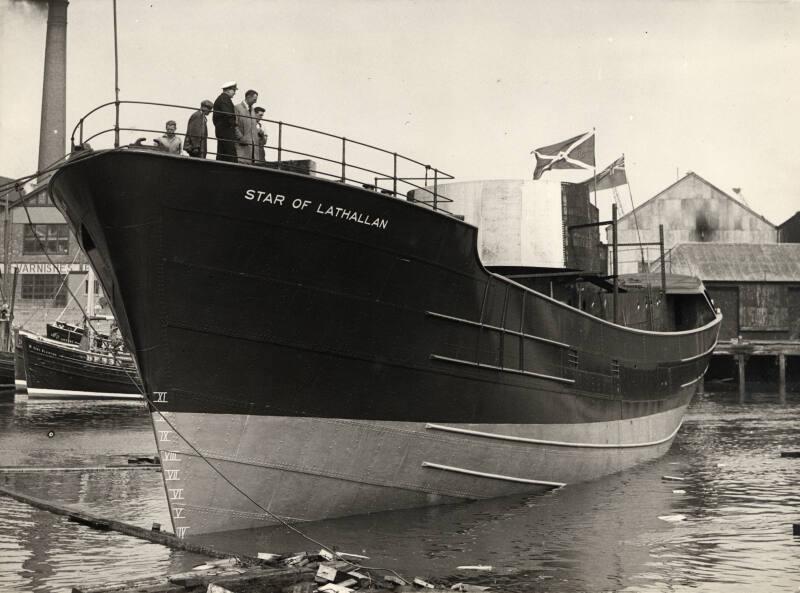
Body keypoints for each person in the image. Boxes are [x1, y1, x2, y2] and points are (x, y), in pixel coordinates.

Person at [213, 81, 239, 162]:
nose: (234, 93)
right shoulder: (224, 99)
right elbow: (228, 114)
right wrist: (234, 123)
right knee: (230, 154)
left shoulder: (222, 98)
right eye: (234, 90)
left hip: (222, 130)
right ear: (228, 90)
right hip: (226, 131)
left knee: (222, 154)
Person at [234, 89, 259, 164]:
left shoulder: (253, 110)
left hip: (253, 151)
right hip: (242, 149)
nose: (255, 102)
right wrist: (240, 137)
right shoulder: (237, 108)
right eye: (254, 99)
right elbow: (234, 125)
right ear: (248, 97)